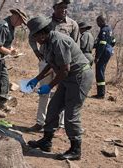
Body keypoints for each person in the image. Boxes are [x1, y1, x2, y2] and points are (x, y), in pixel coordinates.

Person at [25, 16, 94, 160]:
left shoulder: (58, 41)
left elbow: (64, 69)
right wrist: (37, 79)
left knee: (71, 113)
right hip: (67, 77)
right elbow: (51, 64)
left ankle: (76, 149)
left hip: (79, 76)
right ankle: (46, 141)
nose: (34, 39)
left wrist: (49, 86)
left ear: (42, 33)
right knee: (53, 108)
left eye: (34, 36)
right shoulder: (46, 43)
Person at [27, 0, 79, 132]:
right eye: (61, 7)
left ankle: (58, 124)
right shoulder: (45, 22)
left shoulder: (72, 24)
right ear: (54, 8)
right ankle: (40, 122)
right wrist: (36, 51)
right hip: (48, 61)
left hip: (63, 65)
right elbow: (32, 37)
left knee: (61, 93)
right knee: (43, 92)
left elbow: (75, 44)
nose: (64, 10)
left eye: (65, 7)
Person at [0, 9, 28, 118]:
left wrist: (12, 50)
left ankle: (2, 103)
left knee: (4, 79)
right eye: (20, 21)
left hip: (0, 56)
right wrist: (10, 53)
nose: (20, 24)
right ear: (15, 16)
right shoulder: (3, 26)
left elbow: (5, 44)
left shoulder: (10, 26)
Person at [93, 15, 116, 99]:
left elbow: (102, 44)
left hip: (104, 52)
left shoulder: (103, 30)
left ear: (101, 21)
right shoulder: (109, 29)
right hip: (108, 51)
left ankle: (101, 94)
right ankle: (101, 93)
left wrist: (97, 56)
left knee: (99, 72)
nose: (97, 24)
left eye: (98, 22)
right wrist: (110, 47)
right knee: (101, 70)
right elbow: (113, 41)